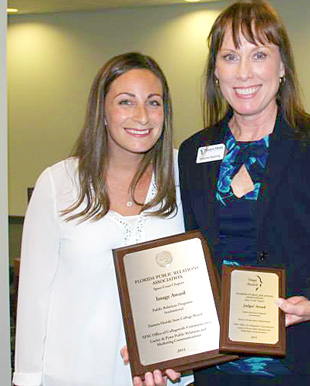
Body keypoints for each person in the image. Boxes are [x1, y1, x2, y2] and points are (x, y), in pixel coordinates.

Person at [178, 1, 310, 385]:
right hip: (216, 365)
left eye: (259, 54)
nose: (243, 72)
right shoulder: (194, 153)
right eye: (229, 56)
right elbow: (192, 254)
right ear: (215, 72)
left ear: (283, 67)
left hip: (303, 360)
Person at [13, 52, 193, 386]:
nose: (142, 116)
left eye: (153, 103)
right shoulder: (59, 183)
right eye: (126, 102)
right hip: (75, 373)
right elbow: (34, 297)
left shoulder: (186, 176)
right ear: (103, 112)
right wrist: (26, 378)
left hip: (164, 377)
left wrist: (182, 357)